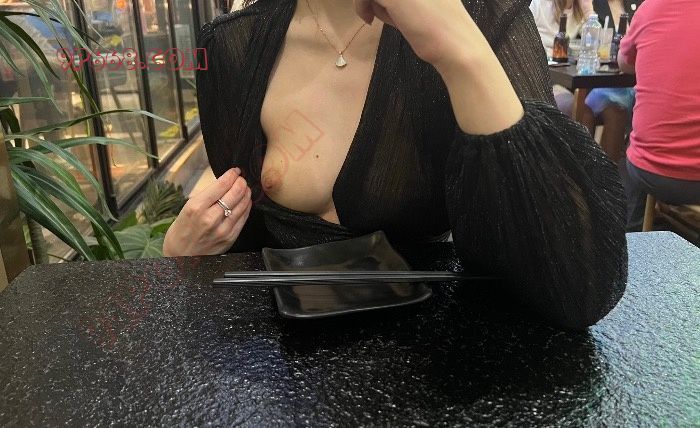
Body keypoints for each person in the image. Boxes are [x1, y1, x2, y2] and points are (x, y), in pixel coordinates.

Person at [163, 0, 628, 330]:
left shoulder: (486, 17)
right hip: (289, 371)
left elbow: (579, 289)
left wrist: (461, 54)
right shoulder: (234, 44)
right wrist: (177, 262)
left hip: (440, 365)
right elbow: (245, 229)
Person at [618, 0, 700, 230]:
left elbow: (624, 63)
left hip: (651, 172)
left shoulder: (650, 8)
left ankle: (633, 235)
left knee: (637, 142)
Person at [530, 0, 634, 162]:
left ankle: (605, 172)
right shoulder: (540, 4)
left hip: (569, 80)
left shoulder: (578, 9)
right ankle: (578, 170)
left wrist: (589, 12)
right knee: (581, 108)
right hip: (541, 80)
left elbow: (598, 45)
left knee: (614, 109)